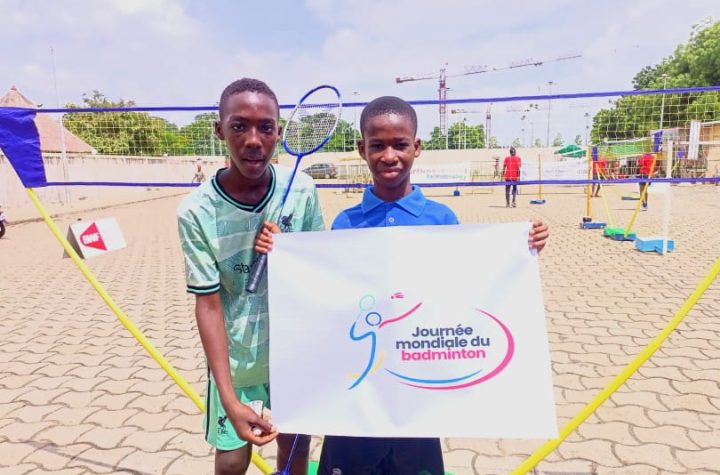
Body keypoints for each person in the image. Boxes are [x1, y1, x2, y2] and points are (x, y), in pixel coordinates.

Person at [255, 96, 549, 475]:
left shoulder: (442, 220)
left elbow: (467, 286)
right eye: (377, 145)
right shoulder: (345, 223)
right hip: (357, 399)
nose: (389, 156)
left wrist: (520, 249)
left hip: (417, 398)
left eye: (400, 144)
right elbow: (327, 295)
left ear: (417, 147)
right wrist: (283, 253)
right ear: (362, 149)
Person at [177, 78, 324, 475]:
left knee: (294, 451)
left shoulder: (302, 192)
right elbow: (208, 305)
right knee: (231, 462)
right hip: (237, 362)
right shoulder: (196, 212)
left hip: (293, 353)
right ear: (219, 130)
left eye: (266, 127)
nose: (254, 140)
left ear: (279, 132)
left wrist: (289, 253)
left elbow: (320, 271)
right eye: (239, 126)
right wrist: (228, 397)